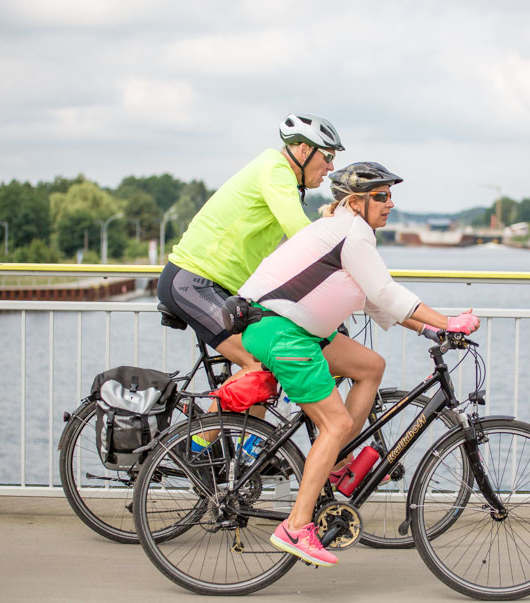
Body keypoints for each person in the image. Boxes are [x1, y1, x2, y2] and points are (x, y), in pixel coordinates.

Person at [236, 162, 480, 566]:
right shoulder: (353, 233)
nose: (390, 204)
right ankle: (295, 526)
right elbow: (385, 291)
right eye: (380, 196)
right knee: (335, 424)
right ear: (355, 202)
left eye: (390, 196)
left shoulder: (346, 230)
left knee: (370, 366)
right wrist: (448, 321)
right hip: (283, 331)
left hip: (293, 328)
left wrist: (430, 330)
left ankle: (335, 462)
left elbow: (376, 301)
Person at [158, 115, 386, 442]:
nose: (330, 166)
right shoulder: (276, 170)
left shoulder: (281, 178)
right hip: (194, 281)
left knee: (268, 361)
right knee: (259, 361)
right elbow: (304, 238)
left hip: (222, 288)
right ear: (303, 150)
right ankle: (194, 448)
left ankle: (251, 452)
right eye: (327, 156)